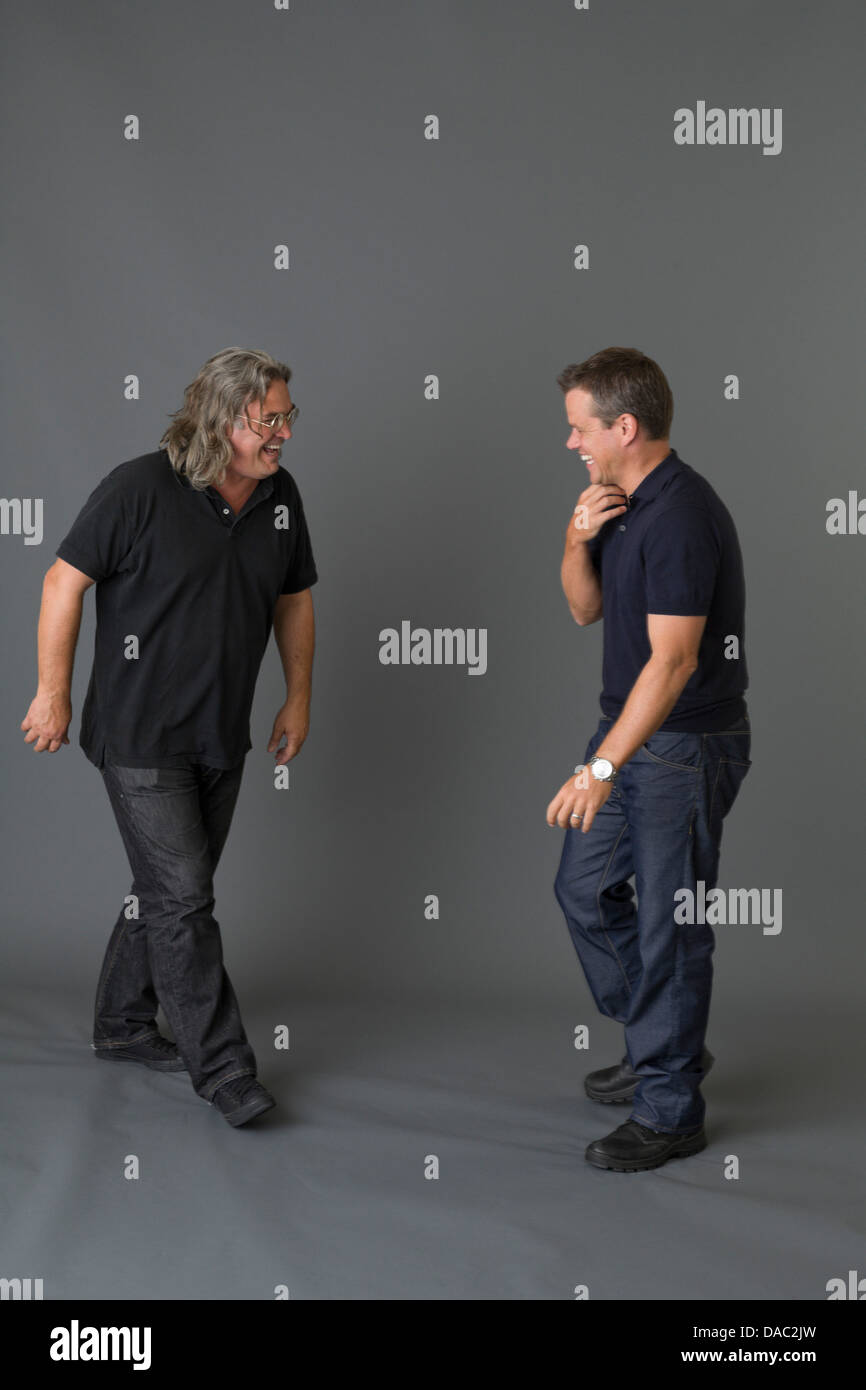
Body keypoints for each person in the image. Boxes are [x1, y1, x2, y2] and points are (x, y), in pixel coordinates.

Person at [21, 347, 317, 1128]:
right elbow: (62, 581)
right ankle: (224, 1071)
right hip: (140, 736)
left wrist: (297, 698)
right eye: (270, 419)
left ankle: (121, 1025)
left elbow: (294, 599)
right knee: (184, 898)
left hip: (222, 732)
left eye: (289, 416)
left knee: (165, 894)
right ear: (224, 420)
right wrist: (52, 693)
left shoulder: (279, 497)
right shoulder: (138, 488)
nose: (284, 432)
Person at [547, 346, 751, 1172]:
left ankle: (670, 1110)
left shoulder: (680, 516)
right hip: (631, 736)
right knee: (583, 890)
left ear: (623, 427)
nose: (572, 444)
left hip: (683, 746)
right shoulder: (620, 504)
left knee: (670, 926)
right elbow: (583, 610)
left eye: (579, 429)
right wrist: (575, 538)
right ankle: (664, 1035)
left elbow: (671, 665)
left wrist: (598, 767)